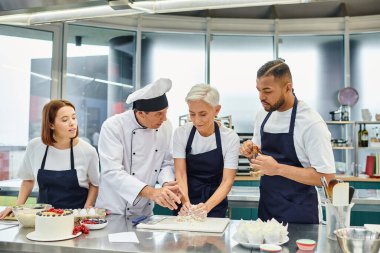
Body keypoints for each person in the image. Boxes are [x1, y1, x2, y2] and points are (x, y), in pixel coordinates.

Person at [240, 59, 336, 224]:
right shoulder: (263, 114)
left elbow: (327, 178)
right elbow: (260, 161)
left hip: (300, 213)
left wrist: (277, 168)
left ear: (287, 87)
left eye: (267, 91)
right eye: (259, 90)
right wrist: (252, 153)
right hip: (267, 211)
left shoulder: (310, 122)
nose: (261, 97)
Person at [95, 78, 182, 216]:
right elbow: (112, 171)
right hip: (114, 209)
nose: (164, 119)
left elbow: (165, 163)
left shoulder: (166, 126)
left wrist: (167, 184)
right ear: (140, 113)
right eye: (159, 114)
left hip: (144, 212)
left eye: (166, 112)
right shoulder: (113, 126)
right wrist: (152, 192)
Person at [0, 99, 99, 219]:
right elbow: (28, 180)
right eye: (65, 120)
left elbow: (94, 184)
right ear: (51, 125)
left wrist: (86, 210)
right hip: (43, 219)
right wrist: (17, 207)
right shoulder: (34, 147)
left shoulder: (88, 151)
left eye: (74, 117)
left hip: (74, 220)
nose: (72, 123)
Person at [173, 84, 240, 218]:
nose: (197, 120)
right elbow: (180, 173)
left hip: (215, 202)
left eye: (203, 114)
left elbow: (227, 180)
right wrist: (186, 204)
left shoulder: (230, 138)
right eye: (192, 114)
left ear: (216, 110)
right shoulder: (181, 133)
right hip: (185, 197)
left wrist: (206, 207)